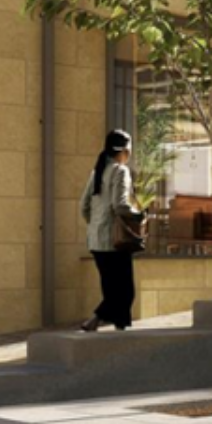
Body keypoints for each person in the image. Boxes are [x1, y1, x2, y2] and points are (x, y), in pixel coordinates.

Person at [79, 130, 141, 332]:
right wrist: (139, 215)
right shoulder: (120, 171)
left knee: (111, 289)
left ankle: (116, 328)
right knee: (125, 291)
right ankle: (97, 320)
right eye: (129, 148)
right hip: (115, 241)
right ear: (124, 150)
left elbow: (83, 206)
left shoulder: (97, 172)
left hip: (96, 241)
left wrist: (95, 223)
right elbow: (120, 205)